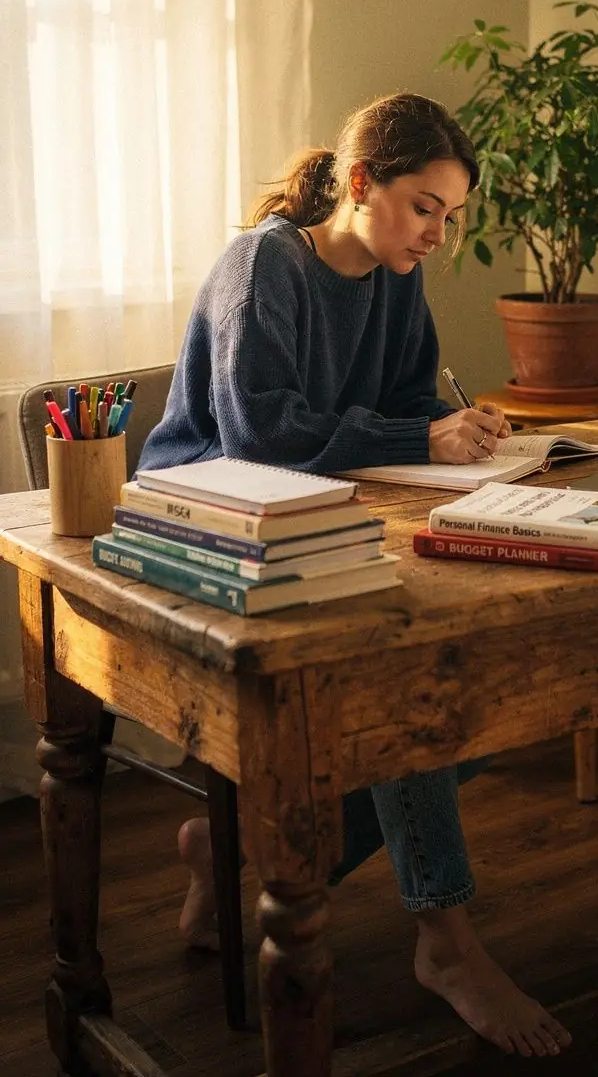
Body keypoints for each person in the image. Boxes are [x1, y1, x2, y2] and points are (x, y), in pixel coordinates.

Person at [139, 92, 572, 1059]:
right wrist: (420, 435)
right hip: (205, 517)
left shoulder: (393, 275)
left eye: (450, 216)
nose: (438, 234)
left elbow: (410, 401)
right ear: (361, 181)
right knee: (405, 688)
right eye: (425, 206)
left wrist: (465, 433)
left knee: (490, 689)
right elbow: (259, 433)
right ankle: (447, 941)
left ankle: (234, 851)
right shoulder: (266, 264)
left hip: (322, 516)